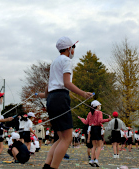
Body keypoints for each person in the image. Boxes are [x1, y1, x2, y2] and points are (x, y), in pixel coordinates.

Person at [38, 36, 93, 169]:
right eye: (73, 47)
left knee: (61, 138)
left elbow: (48, 87)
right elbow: (67, 83)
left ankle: (47, 165)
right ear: (69, 48)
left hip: (51, 99)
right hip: (60, 98)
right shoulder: (66, 60)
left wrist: (44, 95)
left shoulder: (55, 62)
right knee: (67, 138)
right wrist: (83, 93)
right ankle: (53, 167)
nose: (74, 50)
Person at [79, 100, 111, 167]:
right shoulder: (99, 112)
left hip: (92, 129)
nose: (100, 106)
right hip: (97, 128)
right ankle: (96, 160)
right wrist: (108, 120)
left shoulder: (89, 113)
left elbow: (86, 122)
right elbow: (100, 121)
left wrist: (82, 119)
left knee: (94, 146)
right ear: (97, 106)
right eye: (99, 105)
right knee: (99, 146)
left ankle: (92, 160)